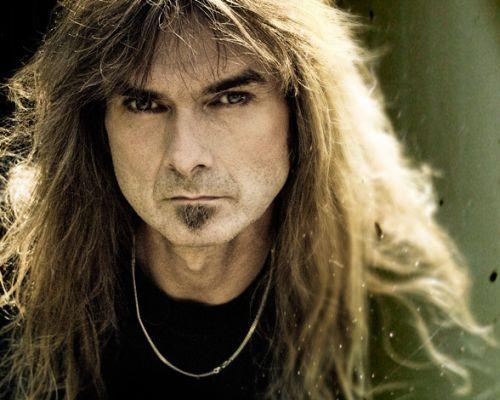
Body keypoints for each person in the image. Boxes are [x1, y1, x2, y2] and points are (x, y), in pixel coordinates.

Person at [0, 0, 494, 399]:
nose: (185, 157)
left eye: (230, 98)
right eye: (145, 104)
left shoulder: (395, 311)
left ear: (300, 115)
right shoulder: (20, 295)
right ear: (97, 126)